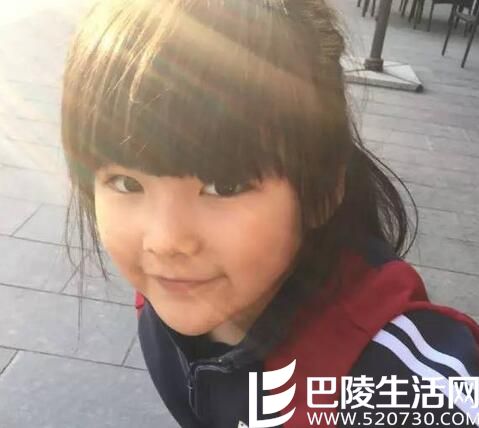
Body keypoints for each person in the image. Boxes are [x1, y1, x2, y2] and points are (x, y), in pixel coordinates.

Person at [60, 0, 479, 427]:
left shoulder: (401, 390)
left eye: (224, 186)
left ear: (323, 189)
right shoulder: (170, 291)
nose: (165, 241)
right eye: (127, 184)